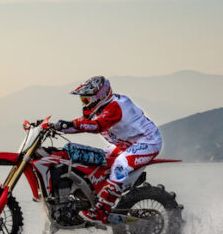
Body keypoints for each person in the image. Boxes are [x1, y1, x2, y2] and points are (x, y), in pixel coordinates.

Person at [54, 76, 162, 225]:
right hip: (125, 143)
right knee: (97, 158)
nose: (84, 104)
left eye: (86, 100)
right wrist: (55, 127)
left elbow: (97, 126)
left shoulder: (115, 106)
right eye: (82, 100)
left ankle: (101, 211)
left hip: (147, 141)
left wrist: (69, 124)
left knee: (120, 164)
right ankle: (93, 196)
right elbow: (82, 123)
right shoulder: (101, 108)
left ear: (100, 96)